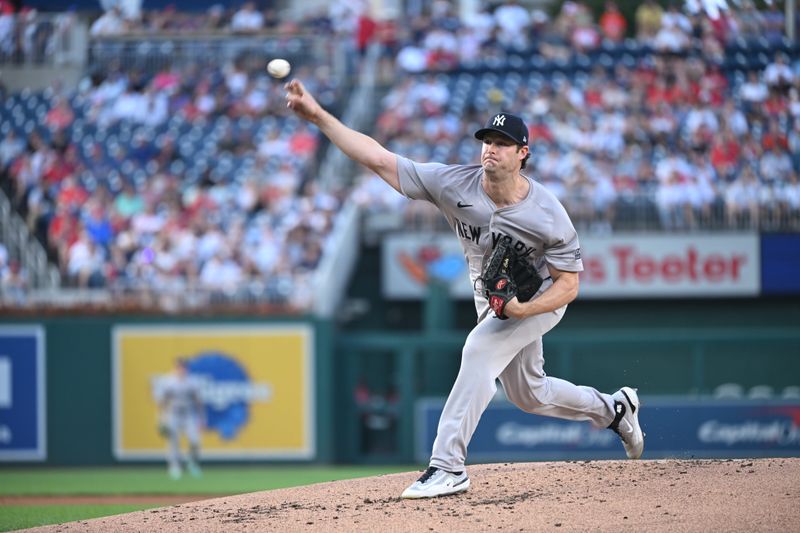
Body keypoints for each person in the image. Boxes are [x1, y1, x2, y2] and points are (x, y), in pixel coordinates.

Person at [285, 80, 644, 499]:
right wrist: (319, 117)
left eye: (503, 142)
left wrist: (522, 311)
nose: (491, 148)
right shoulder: (454, 183)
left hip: (538, 297)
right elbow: (380, 159)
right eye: (487, 140)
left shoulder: (548, 214)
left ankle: (447, 465)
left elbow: (569, 285)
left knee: (477, 350)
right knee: (529, 393)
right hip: (491, 296)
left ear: (523, 153)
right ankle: (614, 409)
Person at [154, 357, 205, 479]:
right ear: (175, 368)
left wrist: (202, 418)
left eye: (183, 367)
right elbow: (162, 402)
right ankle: (174, 466)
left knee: (195, 441)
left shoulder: (192, 381)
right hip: (173, 413)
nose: (181, 369)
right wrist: (161, 418)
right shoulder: (168, 381)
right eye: (179, 367)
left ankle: (192, 463)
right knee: (173, 442)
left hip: (188, 414)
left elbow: (198, 401)